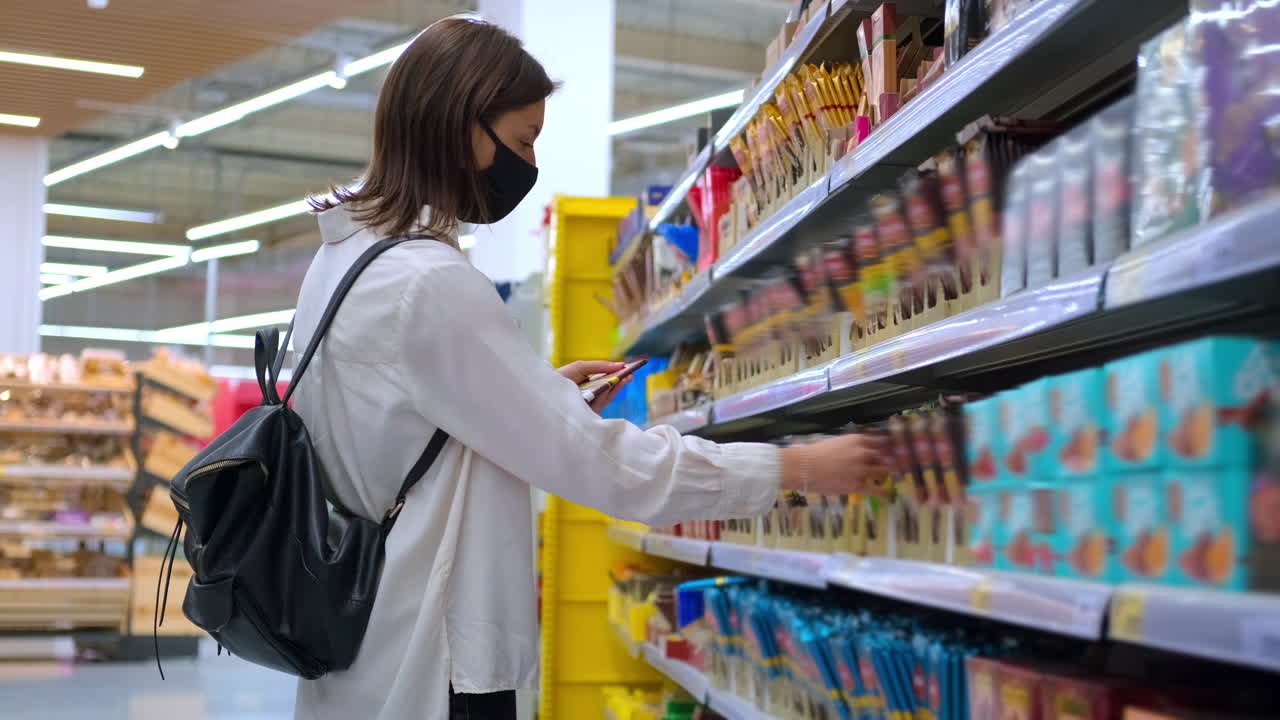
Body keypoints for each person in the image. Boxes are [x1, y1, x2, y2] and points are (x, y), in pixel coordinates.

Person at [291, 16, 891, 720]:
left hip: (354, 641)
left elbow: (398, 427)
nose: (530, 166)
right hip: (434, 663)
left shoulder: (341, 259)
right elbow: (605, 466)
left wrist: (536, 397)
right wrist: (795, 471)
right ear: (460, 128)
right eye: (521, 143)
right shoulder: (429, 282)